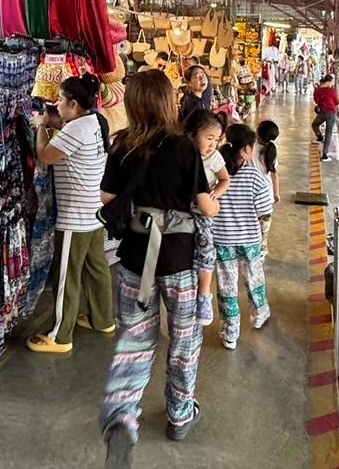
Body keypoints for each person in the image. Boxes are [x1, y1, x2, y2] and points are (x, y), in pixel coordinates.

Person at [100, 71, 217, 466]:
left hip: (136, 259)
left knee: (134, 342)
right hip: (179, 262)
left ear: (133, 104)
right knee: (183, 341)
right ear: (169, 102)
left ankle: (122, 418)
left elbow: (107, 198)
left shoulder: (122, 145)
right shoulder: (184, 147)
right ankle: (180, 414)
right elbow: (205, 206)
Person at [27, 74, 113, 354]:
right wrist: (51, 120)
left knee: (66, 276)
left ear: (73, 104)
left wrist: (41, 126)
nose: (57, 105)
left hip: (74, 217)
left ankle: (60, 336)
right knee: (96, 268)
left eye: (61, 101)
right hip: (93, 212)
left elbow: (45, 155)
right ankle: (103, 319)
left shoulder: (76, 130)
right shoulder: (95, 121)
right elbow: (65, 128)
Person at [211, 124, 274, 350]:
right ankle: (259, 315)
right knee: (254, 279)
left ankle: (230, 333)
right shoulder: (256, 177)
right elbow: (265, 211)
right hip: (249, 240)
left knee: (226, 287)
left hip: (221, 240)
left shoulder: (215, 175)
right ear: (247, 149)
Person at [184, 110, 230, 327]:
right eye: (208, 138)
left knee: (206, 248)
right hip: (181, 211)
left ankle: (204, 296)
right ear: (192, 134)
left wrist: (215, 195)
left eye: (216, 139)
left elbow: (225, 179)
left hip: (202, 212)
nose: (213, 144)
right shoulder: (182, 153)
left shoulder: (214, 157)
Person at [254, 120, 281, 255]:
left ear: (257, 133)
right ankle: (263, 247)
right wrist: (276, 194)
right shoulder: (272, 151)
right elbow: (274, 175)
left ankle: (252, 247)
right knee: (264, 225)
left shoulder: (250, 148)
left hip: (253, 193)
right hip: (267, 195)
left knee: (252, 223)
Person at [312, 75, 339, 162]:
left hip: (322, 112)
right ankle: (324, 155)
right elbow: (336, 102)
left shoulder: (317, 90)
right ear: (328, 82)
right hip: (331, 113)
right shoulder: (331, 91)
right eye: (331, 82)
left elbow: (316, 100)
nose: (332, 84)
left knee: (314, 125)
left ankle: (319, 137)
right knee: (329, 133)